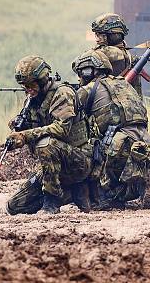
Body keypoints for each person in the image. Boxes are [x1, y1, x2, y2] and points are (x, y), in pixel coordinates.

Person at [72, 48, 150, 210]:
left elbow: (69, 120)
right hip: (144, 144)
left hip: (117, 147)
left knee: (82, 145)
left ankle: (106, 196)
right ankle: (142, 183)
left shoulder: (88, 90)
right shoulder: (125, 85)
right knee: (126, 172)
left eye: (80, 73)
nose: (79, 78)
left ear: (88, 71)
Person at [5, 56, 93, 215]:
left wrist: (25, 135)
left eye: (31, 84)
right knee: (14, 206)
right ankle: (71, 194)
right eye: (24, 85)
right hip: (51, 168)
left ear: (42, 79)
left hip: (77, 162)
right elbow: (34, 128)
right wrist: (18, 128)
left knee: (45, 144)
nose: (28, 89)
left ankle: (52, 202)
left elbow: (61, 129)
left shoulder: (62, 93)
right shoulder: (32, 99)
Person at [90, 12, 142, 94]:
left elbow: (77, 63)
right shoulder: (129, 56)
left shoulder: (105, 53)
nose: (97, 39)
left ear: (112, 35)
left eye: (100, 35)